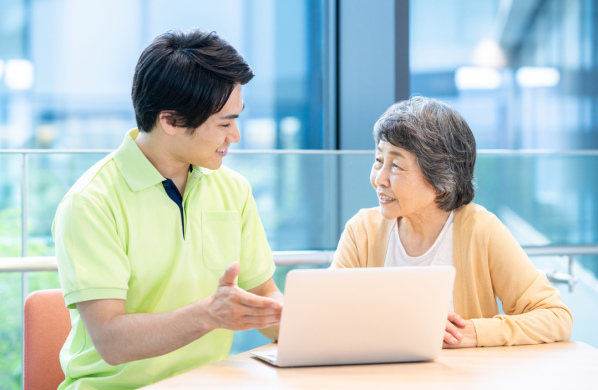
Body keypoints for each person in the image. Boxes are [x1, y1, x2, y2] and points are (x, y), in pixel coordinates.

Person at [52, 29, 283, 389]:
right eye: (225, 123)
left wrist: (316, 326)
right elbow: (111, 340)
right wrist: (209, 314)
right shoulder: (90, 202)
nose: (235, 136)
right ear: (170, 121)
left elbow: (264, 298)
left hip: (209, 383)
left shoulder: (233, 189)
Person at [331, 96, 572, 348]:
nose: (379, 179)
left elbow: (556, 317)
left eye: (396, 166)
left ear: (439, 177)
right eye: (379, 160)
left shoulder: (481, 230)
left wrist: (473, 333)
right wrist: (284, 315)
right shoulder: (362, 231)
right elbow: (325, 317)